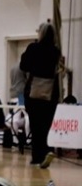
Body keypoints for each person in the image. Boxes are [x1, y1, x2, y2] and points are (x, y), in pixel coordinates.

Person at [20, 21, 61, 168]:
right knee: (45, 124)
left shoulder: (33, 48)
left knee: (35, 124)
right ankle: (45, 151)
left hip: (34, 90)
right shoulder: (56, 51)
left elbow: (23, 66)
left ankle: (37, 156)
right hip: (51, 92)